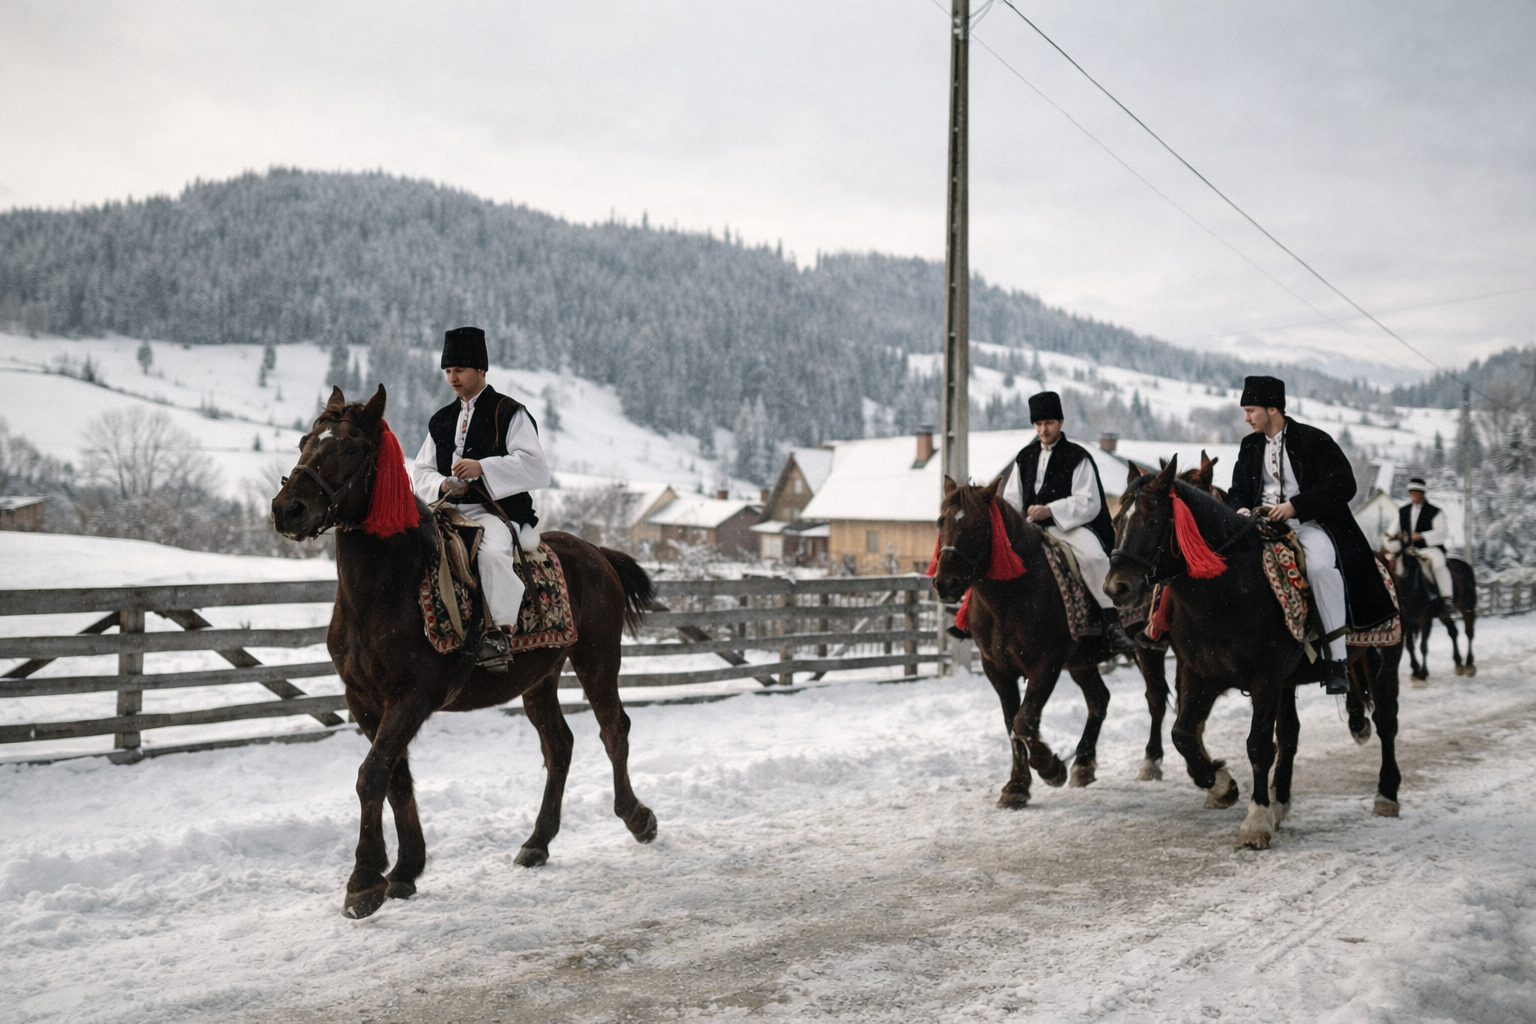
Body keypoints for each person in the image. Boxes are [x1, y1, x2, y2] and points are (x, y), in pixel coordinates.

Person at [1224, 375, 1396, 691]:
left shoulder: (1314, 440)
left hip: (1308, 526)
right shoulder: (1249, 446)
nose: (1246, 418)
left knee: (1319, 569)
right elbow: (1237, 490)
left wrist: (1296, 506)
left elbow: (1345, 484)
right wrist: (1241, 511)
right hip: (1258, 529)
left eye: (1250, 410)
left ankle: (1337, 661)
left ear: (1272, 408)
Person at [410, 326, 550, 660]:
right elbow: (420, 472)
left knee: (490, 553)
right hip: (447, 511)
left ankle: (499, 634)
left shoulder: (508, 412)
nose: (452, 378)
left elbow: (536, 467)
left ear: (481, 370)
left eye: (459, 370)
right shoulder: (441, 421)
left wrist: (483, 467)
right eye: (447, 371)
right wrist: (443, 485)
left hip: (499, 513)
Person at [1001, 391, 1137, 655]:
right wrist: (1017, 520)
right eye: (1038, 424)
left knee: (1095, 558)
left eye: (1049, 423)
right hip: (1030, 528)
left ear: (1061, 422)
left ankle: (1112, 624)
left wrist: (1050, 510)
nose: (1043, 429)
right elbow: (1012, 498)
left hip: (1071, 527)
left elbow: (1089, 502)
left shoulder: (1077, 456)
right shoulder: (1024, 457)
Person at [1398, 477, 1455, 601]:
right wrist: (1398, 536)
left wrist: (1423, 536)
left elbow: (1443, 533)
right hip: (1408, 549)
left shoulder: (1435, 511)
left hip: (1430, 549)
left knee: (1439, 564)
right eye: (1411, 493)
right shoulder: (1403, 511)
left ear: (1422, 494)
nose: (1414, 496)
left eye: (1416, 493)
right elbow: (1393, 531)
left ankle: (1447, 596)